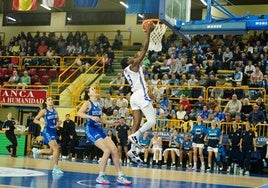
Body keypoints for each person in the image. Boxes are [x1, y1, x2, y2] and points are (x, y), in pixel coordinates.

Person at [77, 87, 131, 185]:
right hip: (91, 129)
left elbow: (101, 119)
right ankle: (100, 175)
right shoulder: (87, 103)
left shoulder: (99, 104)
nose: (95, 90)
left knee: (114, 150)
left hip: (99, 129)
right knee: (107, 150)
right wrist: (90, 117)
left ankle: (120, 175)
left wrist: (111, 122)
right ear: (89, 94)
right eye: (92, 89)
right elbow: (79, 113)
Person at [120, 21, 156, 163]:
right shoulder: (133, 66)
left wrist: (149, 93)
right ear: (128, 62)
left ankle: (132, 151)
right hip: (140, 94)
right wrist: (148, 32)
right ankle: (136, 136)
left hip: (135, 96)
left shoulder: (128, 70)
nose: (133, 58)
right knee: (152, 120)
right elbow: (145, 49)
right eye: (130, 58)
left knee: (136, 123)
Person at [32, 97, 63, 174]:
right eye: (49, 100)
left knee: (51, 151)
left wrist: (59, 123)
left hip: (54, 131)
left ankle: (37, 151)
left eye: (51, 99)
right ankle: (56, 168)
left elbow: (57, 121)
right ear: (46, 102)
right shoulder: (44, 111)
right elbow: (35, 120)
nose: (51, 101)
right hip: (47, 131)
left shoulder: (55, 111)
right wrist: (41, 123)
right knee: (56, 148)